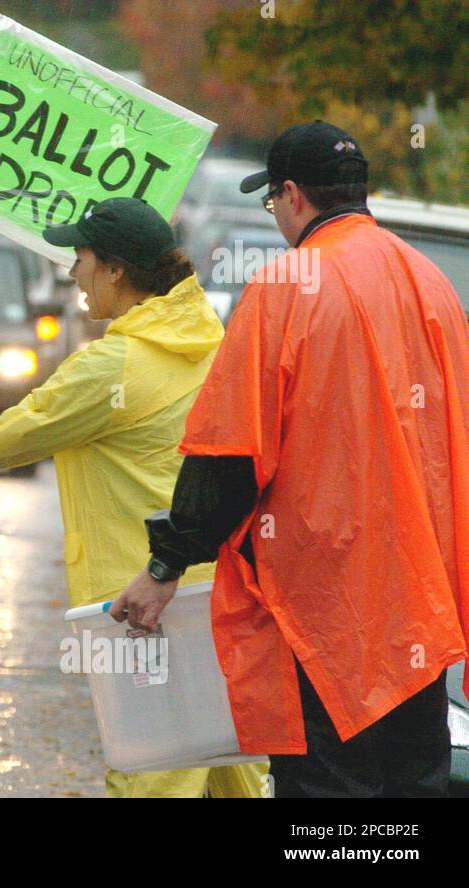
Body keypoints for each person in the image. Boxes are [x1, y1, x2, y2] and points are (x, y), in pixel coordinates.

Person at [0, 197, 266, 797]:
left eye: (81, 257)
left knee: (150, 777)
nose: (72, 271)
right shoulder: (211, 344)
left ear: (115, 269)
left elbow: (11, 436)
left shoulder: (113, 367)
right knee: (234, 773)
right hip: (218, 599)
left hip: (146, 604)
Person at [113, 121, 469, 797]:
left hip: (323, 612)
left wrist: (167, 563)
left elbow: (229, 451)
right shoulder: (430, 282)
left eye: (272, 200)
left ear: (294, 195)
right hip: (419, 608)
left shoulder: (286, 287)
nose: (275, 214)